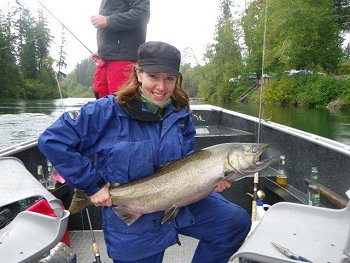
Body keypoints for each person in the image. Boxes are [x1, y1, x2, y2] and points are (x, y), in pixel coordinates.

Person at [38, 41, 251, 263]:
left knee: (234, 222)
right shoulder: (105, 111)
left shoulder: (180, 113)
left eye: (169, 78)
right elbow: (52, 140)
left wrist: (209, 183)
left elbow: (187, 164)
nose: (161, 86)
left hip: (180, 203)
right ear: (139, 73)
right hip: (134, 212)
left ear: (177, 80)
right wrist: (92, 184)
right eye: (153, 76)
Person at [91, 0, 150, 99]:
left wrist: (108, 20)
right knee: (103, 103)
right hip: (106, 58)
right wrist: (102, 51)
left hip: (124, 60)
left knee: (121, 104)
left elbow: (142, 14)